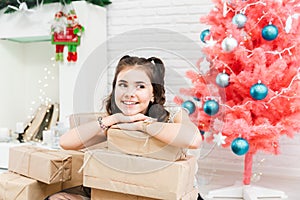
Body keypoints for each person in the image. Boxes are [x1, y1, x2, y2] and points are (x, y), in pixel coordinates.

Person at [47, 55, 203, 200]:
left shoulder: (173, 115)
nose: (130, 93)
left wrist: (142, 125)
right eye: (123, 85)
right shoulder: (114, 122)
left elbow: (194, 139)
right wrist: (114, 119)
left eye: (140, 87)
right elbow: (66, 142)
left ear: (153, 94)